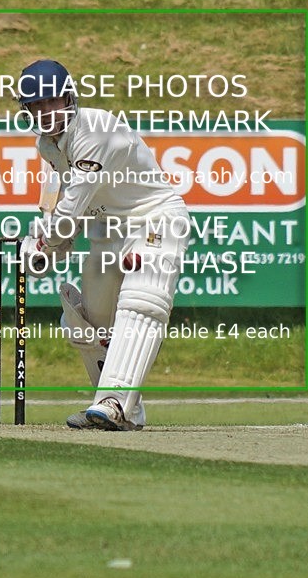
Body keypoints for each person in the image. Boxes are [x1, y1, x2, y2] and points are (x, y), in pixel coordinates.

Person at [19, 59, 189, 430]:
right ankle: (125, 411)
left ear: (69, 99)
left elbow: (72, 206)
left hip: (155, 218)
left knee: (141, 302)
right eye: (37, 106)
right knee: (85, 324)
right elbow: (65, 204)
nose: (46, 113)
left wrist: (44, 245)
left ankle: (114, 403)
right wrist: (50, 247)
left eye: (53, 102)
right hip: (109, 230)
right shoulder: (47, 145)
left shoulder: (94, 132)